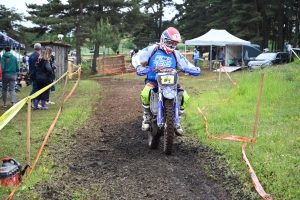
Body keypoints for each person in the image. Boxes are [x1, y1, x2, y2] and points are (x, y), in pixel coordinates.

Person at [131, 27, 201, 136]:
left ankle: (177, 120)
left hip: (171, 82)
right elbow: (137, 56)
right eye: (170, 42)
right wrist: (138, 66)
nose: (172, 46)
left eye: (174, 44)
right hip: (154, 80)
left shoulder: (175, 54)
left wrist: (193, 68)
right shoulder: (153, 49)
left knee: (185, 96)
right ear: (163, 39)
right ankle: (147, 116)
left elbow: (186, 63)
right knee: (145, 93)